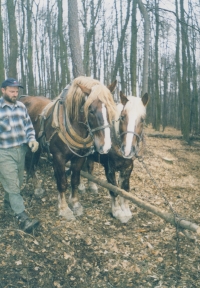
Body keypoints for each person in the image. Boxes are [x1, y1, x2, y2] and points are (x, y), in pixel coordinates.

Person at [0, 78, 40, 233]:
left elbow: (29, 127)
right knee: (14, 186)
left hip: (20, 151)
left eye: (17, 91)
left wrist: (32, 140)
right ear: (3, 90)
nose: (15, 94)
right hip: (4, 152)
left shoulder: (21, 107)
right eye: (12, 91)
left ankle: (7, 204)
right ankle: (23, 218)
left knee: (18, 181)